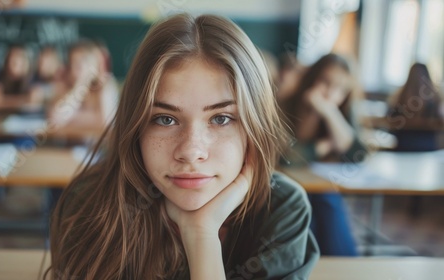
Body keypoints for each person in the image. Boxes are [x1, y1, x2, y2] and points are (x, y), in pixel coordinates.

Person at [46, 14, 319, 279]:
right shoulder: (90, 205)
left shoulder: (280, 208)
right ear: (136, 126)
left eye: (221, 118)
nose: (190, 151)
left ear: (253, 128)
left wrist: (201, 236)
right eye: (165, 119)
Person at [283, 53, 366, 256]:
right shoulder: (287, 104)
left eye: (341, 89)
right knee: (305, 206)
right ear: (312, 78)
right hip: (286, 187)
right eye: (326, 82)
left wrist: (329, 111)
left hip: (324, 190)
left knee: (326, 199)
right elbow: (288, 158)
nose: (331, 93)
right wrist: (323, 146)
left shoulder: (342, 111)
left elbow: (357, 154)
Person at [47, 40, 119, 129]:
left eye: (80, 63)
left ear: (93, 63)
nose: (75, 69)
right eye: (72, 64)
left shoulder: (105, 85)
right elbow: (54, 119)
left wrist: (72, 117)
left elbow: (105, 121)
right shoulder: (66, 85)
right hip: (72, 142)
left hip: (100, 142)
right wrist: (79, 86)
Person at [386, 63, 443, 151]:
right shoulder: (435, 98)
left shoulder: (398, 97)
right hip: (428, 147)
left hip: (403, 145)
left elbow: (390, 121)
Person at [0, 44, 43, 110]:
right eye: (14, 57)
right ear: (7, 61)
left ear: (28, 62)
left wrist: (4, 100)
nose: (17, 61)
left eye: (21, 57)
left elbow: (34, 102)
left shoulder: (33, 78)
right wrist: (25, 100)